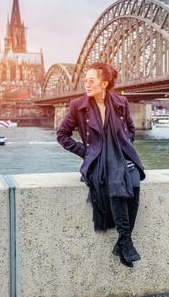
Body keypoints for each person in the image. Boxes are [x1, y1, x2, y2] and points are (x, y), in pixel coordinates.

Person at [57, 62, 145, 268]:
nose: (86, 84)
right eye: (84, 80)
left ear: (104, 83)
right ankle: (127, 242)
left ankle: (122, 242)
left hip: (121, 155)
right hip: (97, 160)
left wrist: (123, 145)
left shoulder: (121, 102)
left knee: (135, 183)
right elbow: (62, 135)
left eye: (91, 80)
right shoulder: (78, 106)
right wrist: (86, 152)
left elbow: (131, 129)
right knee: (116, 179)